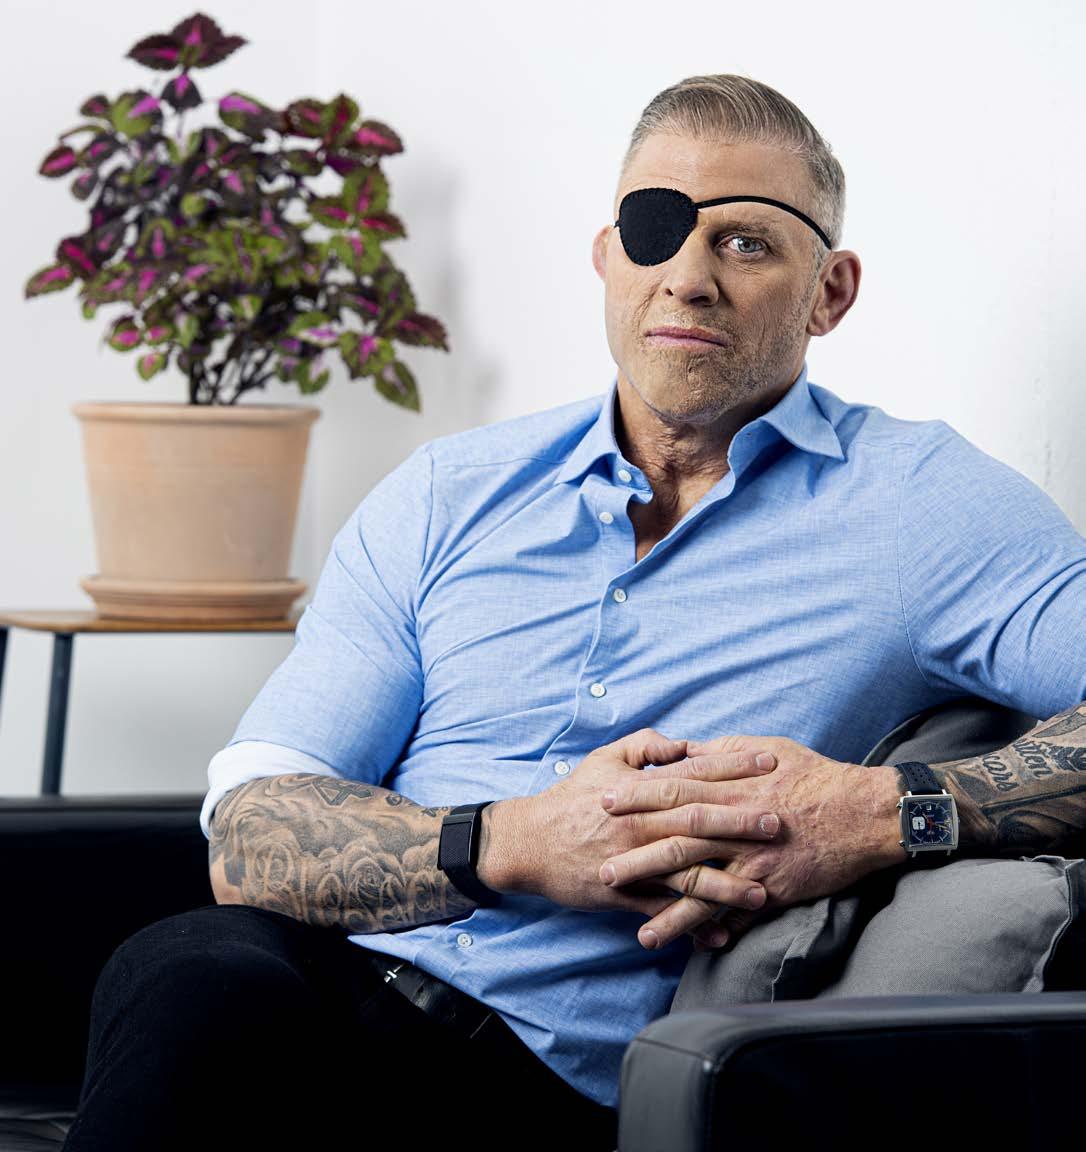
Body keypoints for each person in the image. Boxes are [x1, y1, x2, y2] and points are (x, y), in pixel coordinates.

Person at [61, 73, 1086, 1152]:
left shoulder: (925, 506)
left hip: (551, 1083)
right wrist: (513, 841)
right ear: (607, 258)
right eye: (655, 230)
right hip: (315, 991)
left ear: (829, 293)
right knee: (189, 975)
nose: (687, 278)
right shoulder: (448, 493)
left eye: (745, 243)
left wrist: (878, 815)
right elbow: (249, 834)